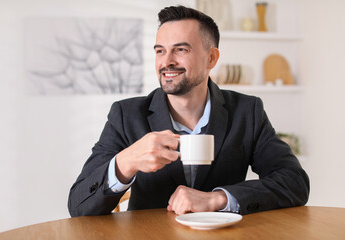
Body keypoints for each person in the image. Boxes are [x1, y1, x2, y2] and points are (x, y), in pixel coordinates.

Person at [68, 5, 309, 217]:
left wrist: (218, 198)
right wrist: (127, 161)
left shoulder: (248, 111)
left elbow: (295, 182)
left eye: (180, 50)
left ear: (211, 58)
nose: (166, 61)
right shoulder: (126, 115)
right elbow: (78, 206)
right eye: (160, 50)